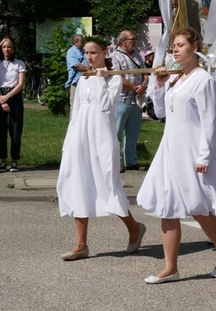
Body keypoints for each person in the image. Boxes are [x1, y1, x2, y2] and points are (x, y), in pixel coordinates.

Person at [137, 28, 216, 284]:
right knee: (167, 206)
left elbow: (209, 121)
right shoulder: (176, 80)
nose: (175, 49)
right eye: (174, 45)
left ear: (194, 48)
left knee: (199, 208)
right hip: (170, 148)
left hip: (192, 149)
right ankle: (170, 267)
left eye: (180, 44)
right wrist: (160, 86)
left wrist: (204, 156)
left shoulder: (203, 79)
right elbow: (161, 113)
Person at [56, 36, 145, 261]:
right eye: (86, 53)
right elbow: (76, 113)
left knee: (108, 186)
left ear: (105, 52)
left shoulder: (113, 79)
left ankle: (134, 227)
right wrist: (69, 142)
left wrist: (101, 80)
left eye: (94, 52)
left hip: (101, 138)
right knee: (79, 183)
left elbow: (106, 107)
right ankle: (81, 244)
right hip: (81, 137)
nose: (89, 57)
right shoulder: (84, 79)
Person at [110, 31, 147, 172]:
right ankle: (116, 163)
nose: (136, 41)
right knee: (116, 133)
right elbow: (117, 78)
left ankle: (131, 162)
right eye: (133, 39)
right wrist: (134, 88)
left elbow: (145, 73)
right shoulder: (115, 57)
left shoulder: (137, 56)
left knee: (133, 134)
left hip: (136, 101)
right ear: (123, 41)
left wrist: (143, 86)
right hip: (122, 100)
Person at [0, 38, 26, 173]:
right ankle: (3, 160)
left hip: (14, 97)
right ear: (1, 49)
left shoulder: (19, 64)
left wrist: (8, 97)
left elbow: (20, 84)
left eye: (9, 47)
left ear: (13, 49)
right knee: (0, 131)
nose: (7, 49)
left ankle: (15, 160)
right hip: (0, 96)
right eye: (4, 47)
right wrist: (1, 99)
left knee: (15, 131)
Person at [65, 34, 88, 116]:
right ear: (75, 42)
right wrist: (90, 69)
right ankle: (73, 126)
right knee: (74, 105)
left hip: (86, 81)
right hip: (75, 82)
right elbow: (77, 65)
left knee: (84, 105)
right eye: (82, 42)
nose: (84, 43)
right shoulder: (71, 52)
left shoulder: (85, 52)